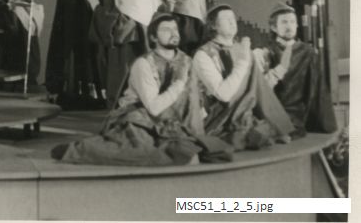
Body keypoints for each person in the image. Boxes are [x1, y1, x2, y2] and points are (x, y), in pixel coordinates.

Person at [51, 12, 232, 166]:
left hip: (174, 122)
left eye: (175, 29)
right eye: (166, 30)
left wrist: (196, 132)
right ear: (153, 37)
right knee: (139, 148)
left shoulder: (186, 61)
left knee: (211, 149)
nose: (173, 33)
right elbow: (153, 107)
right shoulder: (143, 64)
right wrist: (178, 83)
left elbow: (194, 101)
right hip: (141, 119)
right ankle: (77, 151)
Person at [192, 4, 294, 150]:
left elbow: (258, 87)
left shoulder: (242, 48)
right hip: (219, 114)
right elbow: (223, 95)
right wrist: (243, 61)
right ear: (213, 25)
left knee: (261, 131)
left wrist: (277, 72)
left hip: (246, 109)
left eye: (233, 18)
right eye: (226, 19)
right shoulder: (203, 55)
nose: (233, 22)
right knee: (242, 136)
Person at [253, 3, 337, 136]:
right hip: (271, 114)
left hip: (299, 117)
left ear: (297, 25)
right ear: (274, 27)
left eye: (292, 22)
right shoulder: (265, 52)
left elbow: (318, 92)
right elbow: (259, 90)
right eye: (284, 22)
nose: (289, 26)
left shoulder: (308, 53)